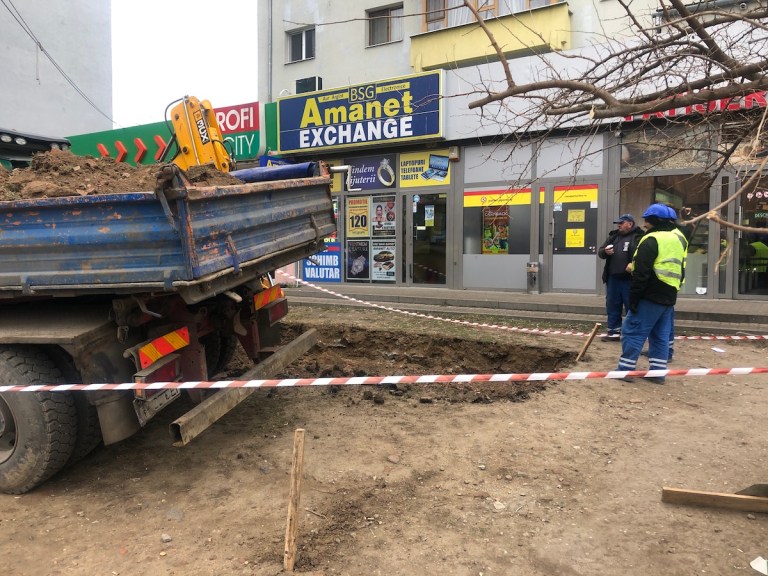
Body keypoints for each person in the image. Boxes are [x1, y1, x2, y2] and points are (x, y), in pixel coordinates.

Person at [617, 203, 688, 384]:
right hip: (669, 294)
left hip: (650, 294)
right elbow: (680, 266)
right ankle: (657, 373)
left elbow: (641, 273)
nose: (645, 224)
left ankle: (625, 370)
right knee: (660, 336)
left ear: (654, 221)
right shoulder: (679, 238)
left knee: (633, 331)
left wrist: (633, 298)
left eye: (647, 220)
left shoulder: (651, 239)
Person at [597, 214, 644, 342]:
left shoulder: (639, 237)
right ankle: (613, 332)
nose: (619, 225)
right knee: (612, 305)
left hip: (629, 280)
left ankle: (631, 334)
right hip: (613, 279)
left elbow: (643, 256)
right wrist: (604, 252)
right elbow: (600, 252)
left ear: (630, 223)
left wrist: (633, 264)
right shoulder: (613, 236)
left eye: (622, 223)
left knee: (631, 306)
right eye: (618, 223)